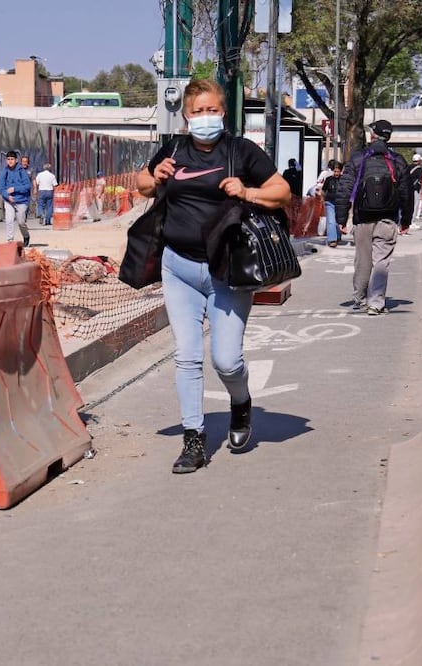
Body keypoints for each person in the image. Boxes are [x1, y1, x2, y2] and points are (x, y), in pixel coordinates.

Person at [135, 78, 291, 474]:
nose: (205, 117)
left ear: (224, 112)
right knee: (186, 356)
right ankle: (194, 439)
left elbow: (282, 191)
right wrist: (156, 179)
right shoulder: (173, 149)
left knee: (226, 360)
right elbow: (140, 183)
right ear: (186, 116)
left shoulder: (241, 152)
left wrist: (247, 192)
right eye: (197, 111)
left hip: (228, 271)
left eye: (212, 110)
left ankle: (241, 404)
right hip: (178, 268)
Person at [335, 119, 413, 316]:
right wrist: (406, 221)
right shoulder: (397, 161)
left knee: (362, 260)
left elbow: (344, 188)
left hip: (362, 219)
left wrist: (341, 218)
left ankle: (360, 299)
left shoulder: (358, 158)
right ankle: (376, 303)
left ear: (372, 136)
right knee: (382, 261)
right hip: (388, 218)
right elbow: (406, 193)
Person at [0, 150, 32, 247]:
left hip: (21, 201)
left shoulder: (22, 171)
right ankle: (10, 241)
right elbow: (1, 187)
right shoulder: (4, 172)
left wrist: (15, 189)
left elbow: (28, 186)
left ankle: (26, 236)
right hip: (9, 201)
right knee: (9, 220)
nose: (10, 161)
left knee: (21, 222)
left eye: (12, 159)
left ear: (16, 160)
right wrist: (7, 196)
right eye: (8, 159)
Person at [321, 160, 343, 247]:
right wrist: (323, 199)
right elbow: (323, 190)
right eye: (335, 171)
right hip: (329, 202)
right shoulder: (329, 180)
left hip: (340, 203)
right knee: (331, 221)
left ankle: (338, 236)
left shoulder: (344, 180)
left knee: (337, 222)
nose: (336, 173)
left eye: (338, 171)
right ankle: (332, 240)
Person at [408, 153, 422, 232]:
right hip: (416, 189)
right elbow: (421, 180)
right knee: (415, 205)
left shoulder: (408, 167)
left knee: (408, 205)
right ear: (418, 161)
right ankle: (412, 222)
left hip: (408, 189)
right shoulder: (419, 169)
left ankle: (408, 221)